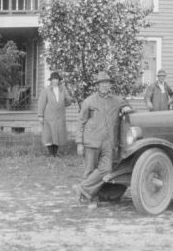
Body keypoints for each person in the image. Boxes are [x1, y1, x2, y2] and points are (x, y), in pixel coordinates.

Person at [72, 71, 132, 206]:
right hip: (91, 141)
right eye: (102, 83)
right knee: (89, 170)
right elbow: (81, 122)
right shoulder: (89, 101)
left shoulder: (115, 100)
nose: (104, 86)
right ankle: (89, 198)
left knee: (106, 169)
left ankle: (82, 189)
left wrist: (126, 108)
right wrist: (79, 143)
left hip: (108, 142)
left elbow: (126, 105)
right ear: (97, 85)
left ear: (110, 85)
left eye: (107, 83)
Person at [37, 71, 73, 157]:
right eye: (53, 79)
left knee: (58, 135)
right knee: (49, 135)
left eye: (56, 79)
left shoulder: (63, 89)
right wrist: (40, 116)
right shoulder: (46, 90)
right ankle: (51, 154)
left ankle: (55, 153)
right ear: (51, 80)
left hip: (60, 116)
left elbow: (67, 102)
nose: (55, 81)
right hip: (49, 116)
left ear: (59, 80)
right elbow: (41, 103)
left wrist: (68, 99)